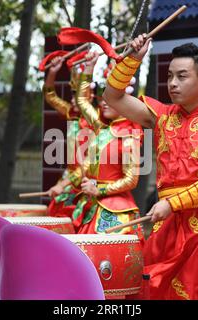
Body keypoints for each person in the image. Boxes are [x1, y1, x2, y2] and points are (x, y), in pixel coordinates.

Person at [103, 35, 198, 300]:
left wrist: (172, 204)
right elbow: (112, 96)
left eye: (182, 76)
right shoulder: (161, 116)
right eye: (169, 76)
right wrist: (134, 59)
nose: (173, 83)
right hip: (167, 226)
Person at [70, 51, 144, 239]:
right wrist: (89, 67)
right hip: (91, 202)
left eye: (110, 99)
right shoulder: (100, 127)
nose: (103, 103)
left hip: (114, 210)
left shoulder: (129, 136)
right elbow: (82, 101)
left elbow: (131, 180)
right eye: (103, 98)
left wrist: (100, 189)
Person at [43, 56, 92, 218]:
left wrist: (63, 185)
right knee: (56, 209)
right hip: (70, 177)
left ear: (90, 96)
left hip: (88, 179)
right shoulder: (72, 114)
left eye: (77, 95)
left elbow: (88, 164)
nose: (73, 99)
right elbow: (51, 96)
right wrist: (52, 72)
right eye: (73, 94)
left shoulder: (97, 122)